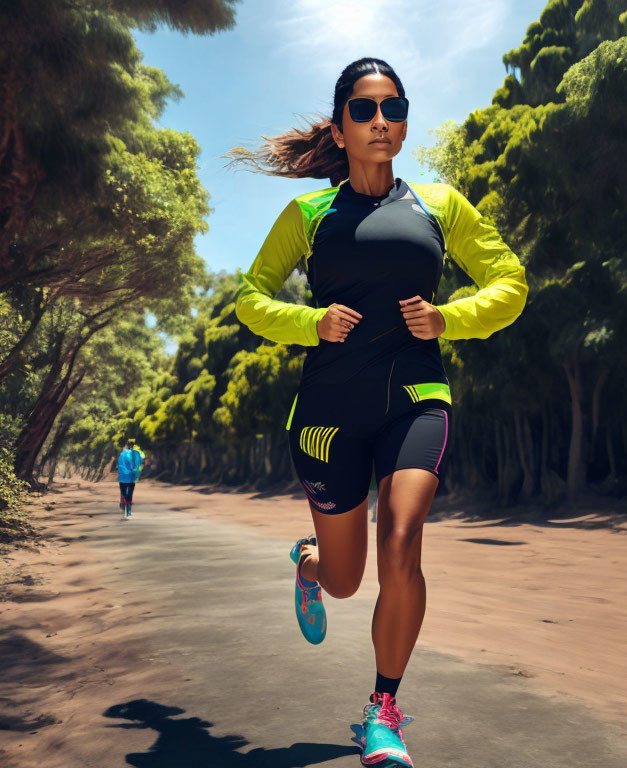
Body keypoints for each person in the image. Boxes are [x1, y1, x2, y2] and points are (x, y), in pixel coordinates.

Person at [231, 57, 528, 767]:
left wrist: (450, 319)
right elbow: (250, 298)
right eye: (363, 111)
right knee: (345, 580)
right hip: (329, 414)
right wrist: (311, 323)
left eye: (392, 107)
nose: (381, 122)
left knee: (402, 542)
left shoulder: (440, 206)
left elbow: (510, 281)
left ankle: (382, 709)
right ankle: (308, 565)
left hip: (416, 400)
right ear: (339, 128)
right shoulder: (308, 215)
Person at [117, 438, 144, 519]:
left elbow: (119, 464)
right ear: (133, 445)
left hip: (123, 478)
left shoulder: (122, 454)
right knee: (129, 495)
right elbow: (140, 462)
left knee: (124, 493)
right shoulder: (137, 453)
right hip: (132, 477)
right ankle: (128, 512)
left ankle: (123, 506)